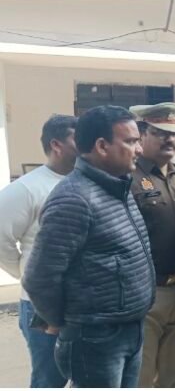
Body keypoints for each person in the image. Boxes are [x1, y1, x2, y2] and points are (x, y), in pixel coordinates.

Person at [22, 105, 155, 388]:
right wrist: (61, 320)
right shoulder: (74, 199)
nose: (139, 150)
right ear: (102, 146)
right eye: (131, 141)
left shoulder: (118, 187)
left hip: (128, 328)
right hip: (95, 338)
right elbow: (39, 277)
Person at [0, 115, 77, 388]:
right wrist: (26, 273)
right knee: (49, 379)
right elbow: (2, 241)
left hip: (84, 303)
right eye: (78, 139)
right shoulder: (26, 189)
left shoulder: (89, 182)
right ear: (56, 144)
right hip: (42, 305)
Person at [129, 103, 175, 387]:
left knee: (174, 372)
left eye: (173, 133)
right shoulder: (127, 177)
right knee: (141, 376)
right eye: (160, 133)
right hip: (145, 292)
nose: (169, 139)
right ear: (141, 134)